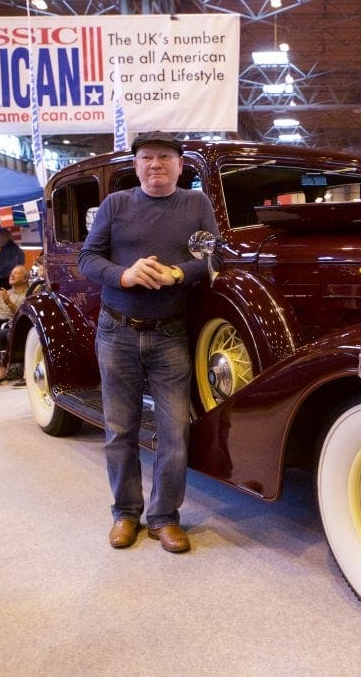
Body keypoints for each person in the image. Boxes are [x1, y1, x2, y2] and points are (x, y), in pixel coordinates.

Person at [78, 131, 220, 554]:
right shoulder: (116, 204)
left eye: (164, 157)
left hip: (170, 332)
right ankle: (124, 514)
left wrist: (178, 273)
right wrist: (123, 274)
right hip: (116, 330)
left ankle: (164, 518)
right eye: (146, 158)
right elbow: (88, 258)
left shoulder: (197, 204)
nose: (155, 164)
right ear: (135, 166)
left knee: (174, 431)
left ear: (180, 165)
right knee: (120, 428)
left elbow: (212, 257)